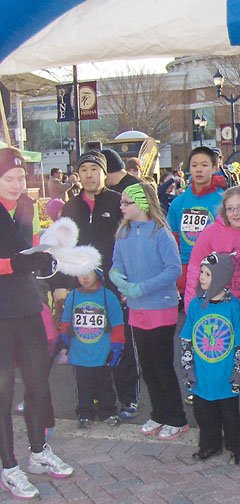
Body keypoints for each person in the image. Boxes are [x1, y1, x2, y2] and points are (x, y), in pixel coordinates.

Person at [0, 147, 73, 500]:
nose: (16, 185)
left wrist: (46, 257)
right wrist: (15, 264)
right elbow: (12, 259)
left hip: (29, 305)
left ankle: (38, 452)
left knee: (37, 383)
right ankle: (8, 466)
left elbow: (29, 246)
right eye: (9, 179)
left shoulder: (28, 207)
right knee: (2, 393)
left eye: (20, 178)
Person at [60, 150, 140, 420]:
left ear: (104, 173)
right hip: (81, 287)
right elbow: (62, 248)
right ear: (78, 175)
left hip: (115, 286)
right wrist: (62, 285)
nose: (89, 175)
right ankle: (90, 400)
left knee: (121, 342)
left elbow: (131, 244)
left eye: (95, 169)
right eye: (84, 171)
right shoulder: (70, 206)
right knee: (85, 342)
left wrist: (130, 282)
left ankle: (128, 398)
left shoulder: (118, 202)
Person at [110, 182, 189, 440]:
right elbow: (117, 264)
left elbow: (173, 270)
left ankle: (176, 417)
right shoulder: (123, 234)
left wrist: (140, 288)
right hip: (136, 310)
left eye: (126, 203)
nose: (121, 207)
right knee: (147, 365)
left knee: (162, 365)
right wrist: (118, 277)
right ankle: (159, 413)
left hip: (161, 308)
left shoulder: (160, 233)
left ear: (142, 204)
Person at [181, 253, 240, 463]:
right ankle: (209, 444)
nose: (201, 277)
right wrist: (188, 367)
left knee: (231, 415)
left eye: (207, 274)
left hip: (226, 375)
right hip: (202, 373)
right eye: (201, 272)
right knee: (204, 413)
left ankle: (238, 448)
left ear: (220, 277)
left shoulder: (234, 306)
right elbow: (186, 338)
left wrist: (239, 369)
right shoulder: (195, 305)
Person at [59, 267, 125, 428]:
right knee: (83, 386)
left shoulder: (108, 296)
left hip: (102, 352)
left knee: (105, 384)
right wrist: (64, 339)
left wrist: (117, 346)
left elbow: (117, 323)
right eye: (81, 274)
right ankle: (85, 413)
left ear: (98, 275)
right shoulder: (73, 296)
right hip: (79, 352)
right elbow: (66, 320)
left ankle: (108, 412)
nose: (85, 278)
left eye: (89, 274)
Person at [185, 186, 240, 311]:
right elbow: (195, 272)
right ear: (224, 211)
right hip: (215, 309)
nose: (236, 213)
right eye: (230, 209)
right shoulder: (210, 234)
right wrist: (192, 308)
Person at [167, 146, 227, 296]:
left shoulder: (225, 200)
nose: (199, 170)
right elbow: (172, 240)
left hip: (217, 267)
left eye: (204, 165)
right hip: (187, 270)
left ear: (214, 168)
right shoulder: (178, 203)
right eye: (194, 165)